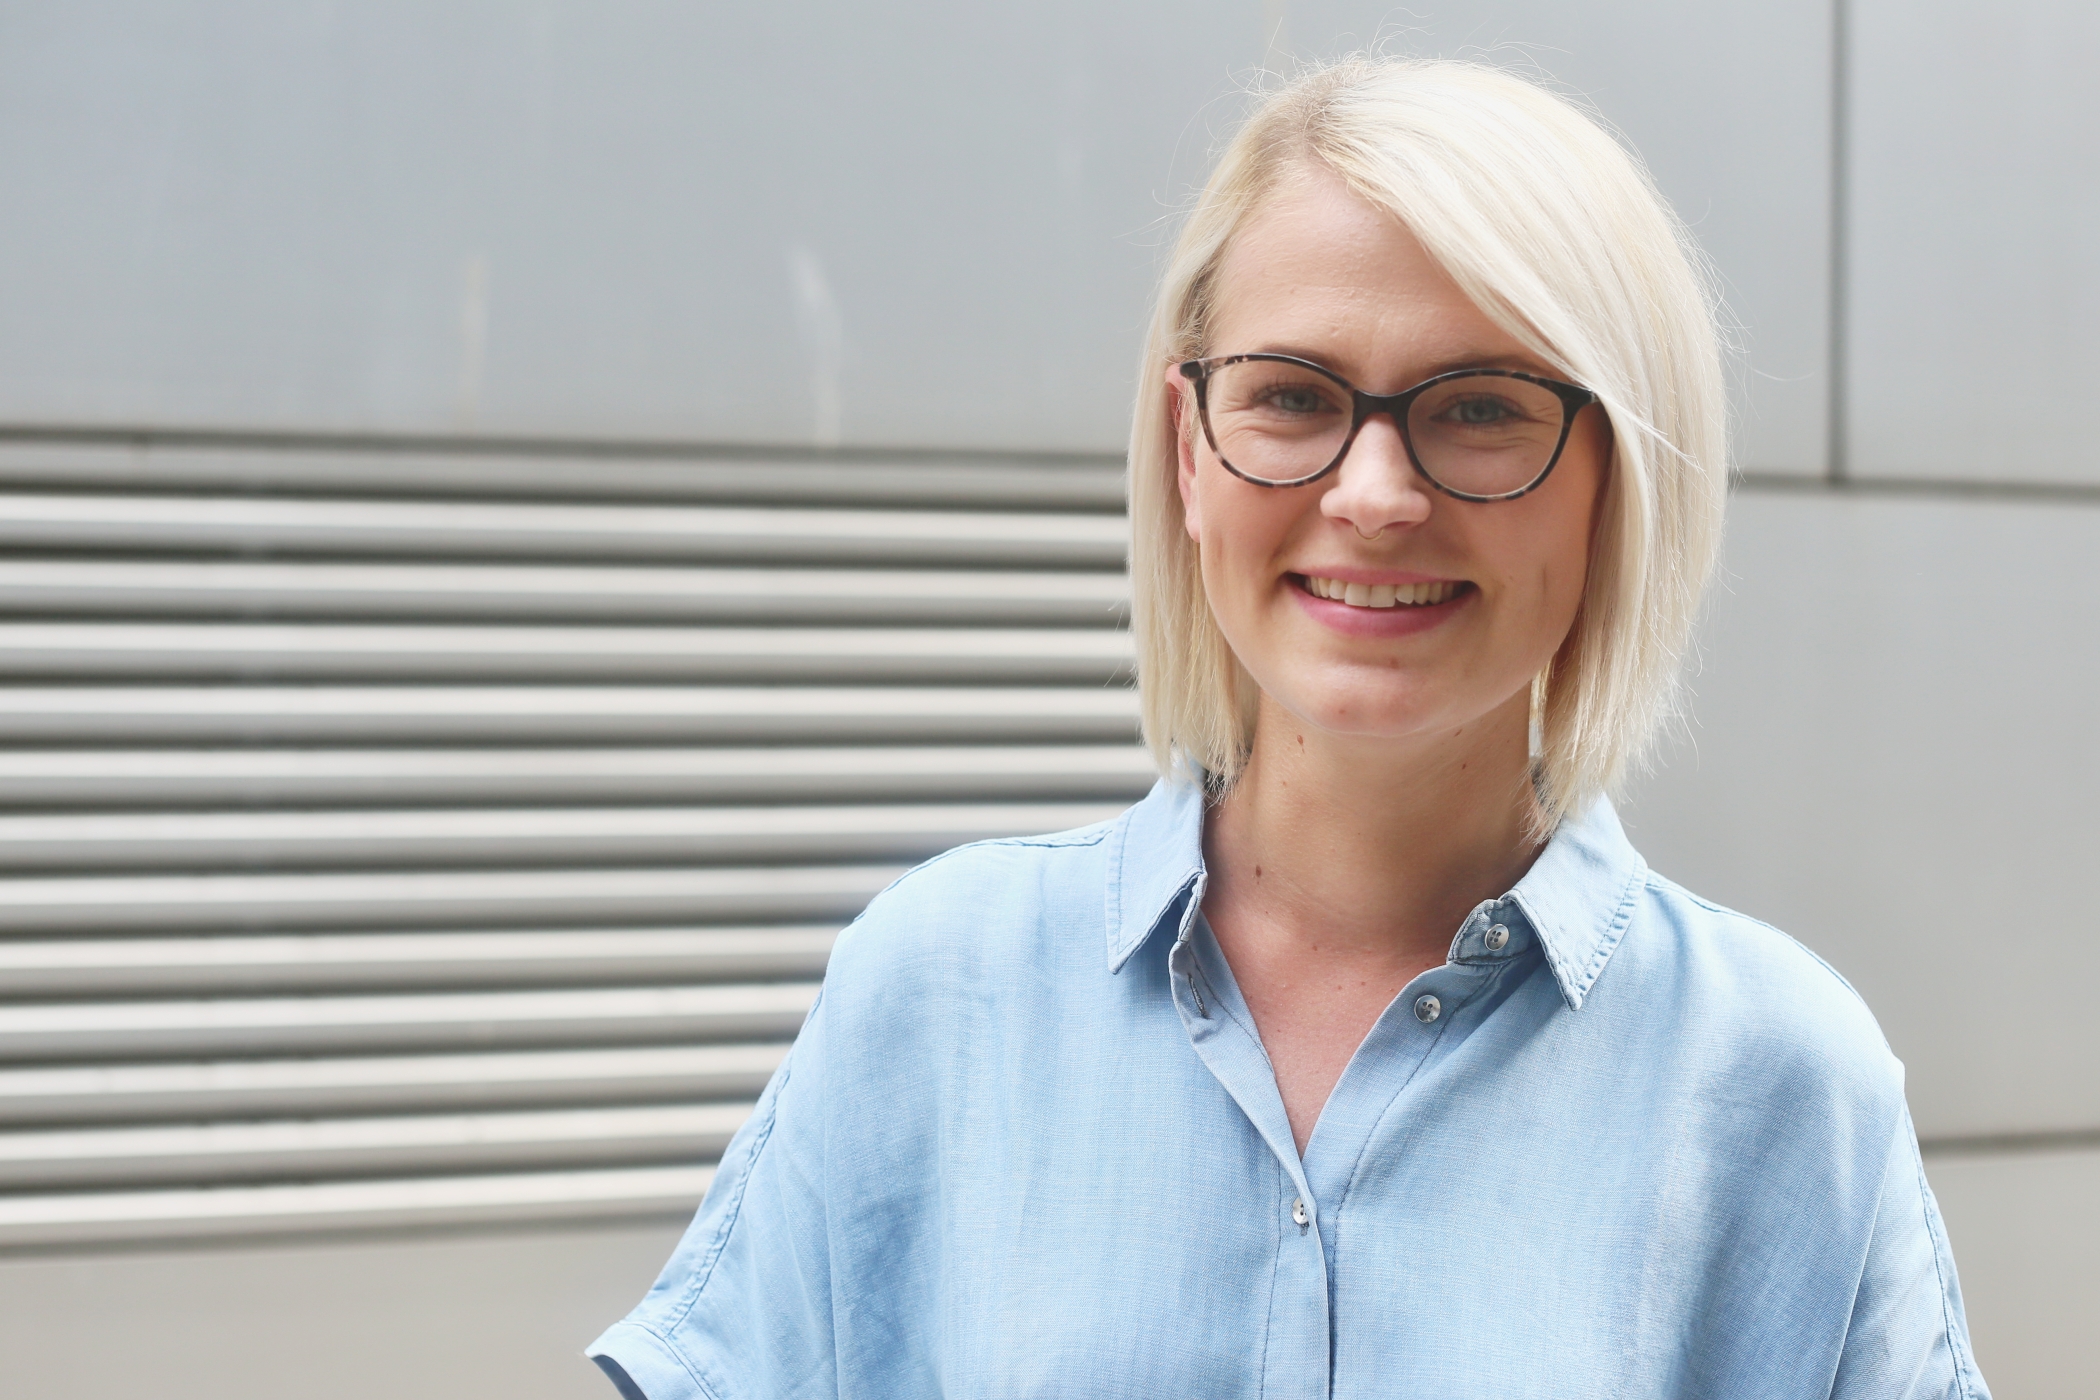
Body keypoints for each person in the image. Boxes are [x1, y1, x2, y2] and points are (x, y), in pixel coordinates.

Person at [589, 58, 1988, 1398]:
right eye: (1294, 397)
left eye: (1480, 407)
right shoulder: (937, 988)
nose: (1375, 494)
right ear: (1189, 450)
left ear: (1611, 479)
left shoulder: (1781, 1081)